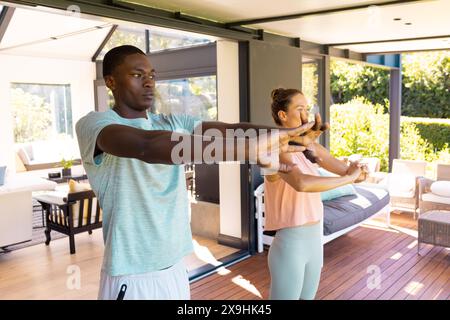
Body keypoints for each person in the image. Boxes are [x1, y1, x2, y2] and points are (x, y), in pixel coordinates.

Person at [75, 45, 328, 300]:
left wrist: (294, 138)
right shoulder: (95, 125)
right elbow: (147, 145)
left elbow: (232, 129)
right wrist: (248, 150)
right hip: (131, 276)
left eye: (152, 75)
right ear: (110, 81)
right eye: (137, 75)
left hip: (175, 270)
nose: (149, 83)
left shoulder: (171, 122)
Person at [264, 88, 368, 300]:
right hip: (290, 244)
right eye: (299, 109)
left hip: (314, 239)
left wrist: (359, 171)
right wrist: (349, 179)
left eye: (307, 109)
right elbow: (301, 183)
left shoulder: (308, 146)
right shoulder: (273, 150)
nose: (306, 115)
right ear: (283, 115)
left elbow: (345, 170)